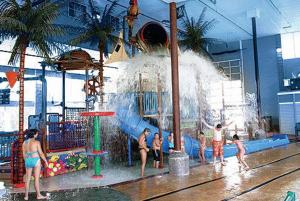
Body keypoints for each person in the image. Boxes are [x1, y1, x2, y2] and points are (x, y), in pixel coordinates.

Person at [22, 129, 48, 200]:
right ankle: (38, 195)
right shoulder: (36, 142)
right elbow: (41, 153)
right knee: (36, 179)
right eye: (37, 134)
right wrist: (45, 161)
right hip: (36, 160)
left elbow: (24, 154)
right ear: (34, 134)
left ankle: (26, 196)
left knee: (27, 180)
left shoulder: (24, 142)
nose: (37, 135)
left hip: (27, 161)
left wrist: (26, 161)